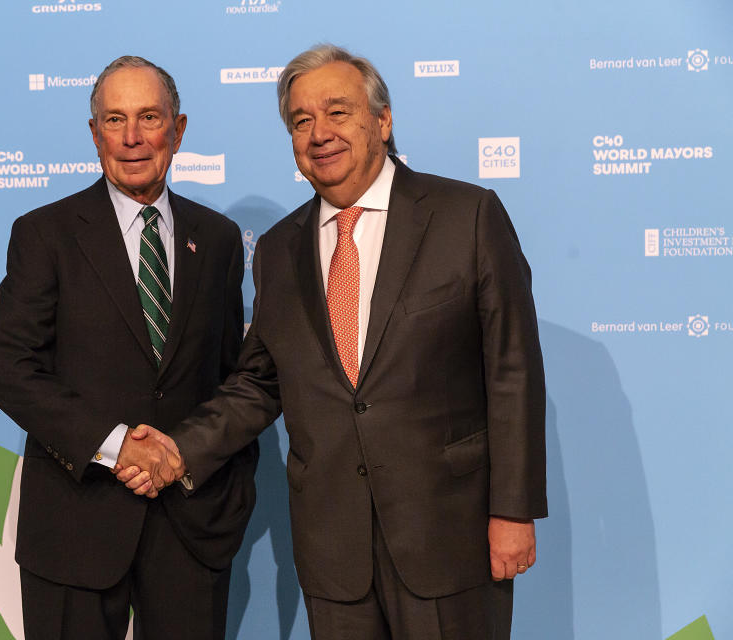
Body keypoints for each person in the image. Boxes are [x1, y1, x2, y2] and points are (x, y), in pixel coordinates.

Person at [116, 45, 547, 639]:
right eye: (301, 120)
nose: (319, 133)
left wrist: (513, 510)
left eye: (338, 112)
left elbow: (513, 371)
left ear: (382, 121)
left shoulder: (465, 216)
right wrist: (178, 451)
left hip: (450, 537)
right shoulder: (277, 248)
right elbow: (259, 384)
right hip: (333, 553)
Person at [0, 55, 258, 640]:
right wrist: (115, 447)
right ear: (94, 134)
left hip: (191, 526)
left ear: (178, 130)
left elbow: (235, 379)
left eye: (149, 117)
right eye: (114, 120)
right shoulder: (44, 234)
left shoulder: (217, 239)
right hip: (75, 527)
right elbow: (8, 369)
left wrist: (207, 473)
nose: (132, 138)